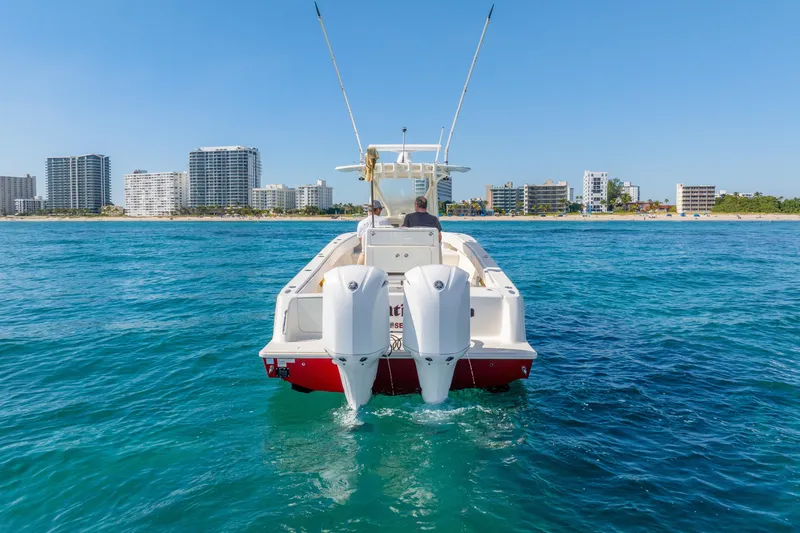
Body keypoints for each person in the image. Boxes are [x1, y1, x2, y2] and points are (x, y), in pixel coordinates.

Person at [357, 200, 391, 264]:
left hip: (366, 254)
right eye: (381, 209)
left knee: (362, 253)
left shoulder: (361, 223)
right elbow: (389, 237)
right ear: (378, 209)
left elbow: (361, 241)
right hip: (383, 252)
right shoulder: (385, 221)